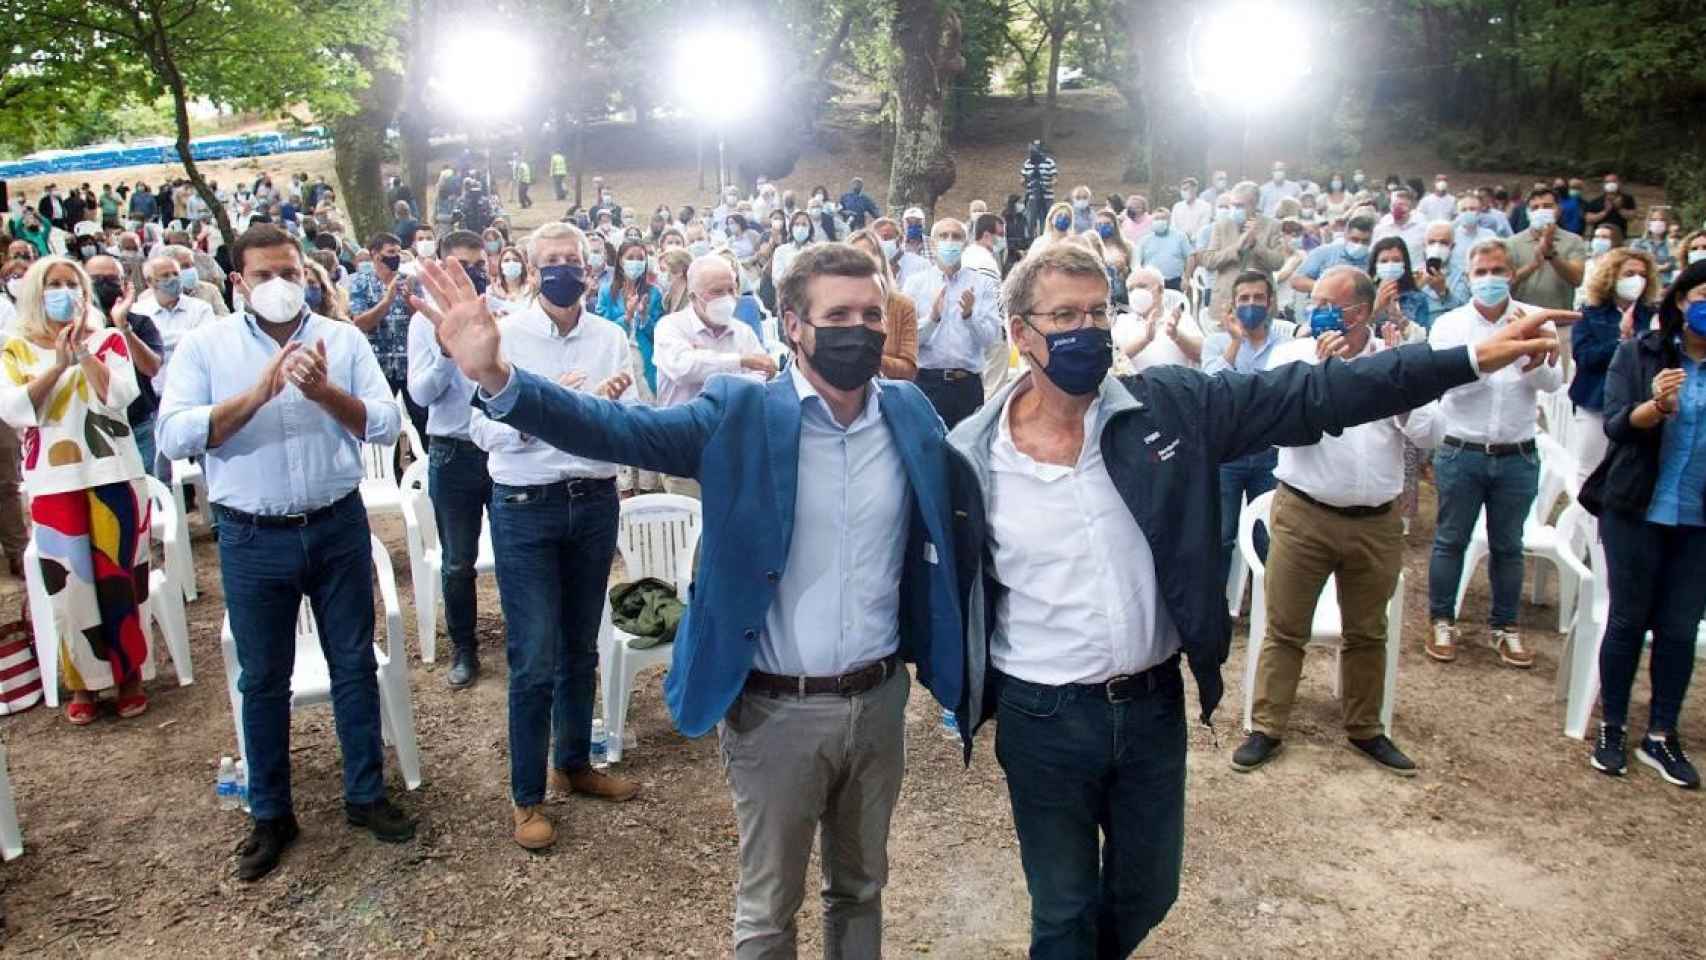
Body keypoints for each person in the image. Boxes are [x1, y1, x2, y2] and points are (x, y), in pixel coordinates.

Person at [945, 241, 1557, 958]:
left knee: (1148, 892)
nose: (1089, 330)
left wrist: (1465, 360)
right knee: (1063, 908)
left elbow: (1320, 392)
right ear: (1021, 333)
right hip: (1041, 715)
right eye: (1064, 316)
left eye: (1097, 312)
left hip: (1148, 707)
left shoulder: (1170, 406)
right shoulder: (970, 456)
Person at [416, 241, 965, 959]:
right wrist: (496, 374)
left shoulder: (911, 416)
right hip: (776, 711)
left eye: (870, 314)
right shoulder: (739, 414)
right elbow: (617, 429)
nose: (858, 330)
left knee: (861, 890)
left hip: (878, 702)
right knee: (770, 909)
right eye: (838, 314)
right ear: (794, 325)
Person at [158, 223, 415, 881]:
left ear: (307, 274)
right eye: (265, 275)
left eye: (290, 272)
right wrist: (259, 393)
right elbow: (177, 433)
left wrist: (323, 392)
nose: (280, 286)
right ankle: (271, 813)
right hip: (251, 534)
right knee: (263, 678)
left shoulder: (342, 339)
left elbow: (384, 423)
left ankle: (366, 795)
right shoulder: (205, 347)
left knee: (354, 664)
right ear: (238, 282)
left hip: (334, 524)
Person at [454, 222, 640, 847]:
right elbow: (477, 431)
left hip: (592, 503)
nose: (564, 269)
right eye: (551, 261)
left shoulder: (611, 337)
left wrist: (606, 410)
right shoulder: (502, 337)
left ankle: (574, 764)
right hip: (525, 507)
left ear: (590, 271)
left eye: (574, 261)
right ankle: (527, 797)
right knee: (533, 656)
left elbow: (634, 422)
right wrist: (541, 409)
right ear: (531, 271)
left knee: (581, 646)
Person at [1234, 265, 1438, 775]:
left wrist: (1400, 384)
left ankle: (1366, 728)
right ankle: (1267, 727)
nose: (1316, 311)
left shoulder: (1395, 360)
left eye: (1330, 303)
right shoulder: (1294, 356)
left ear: (1362, 312)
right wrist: (1322, 381)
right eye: (1314, 301)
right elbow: (1281, 427)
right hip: (1305, 513)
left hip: (1376, 521)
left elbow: (1431, 433)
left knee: (1368, 630)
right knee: (1286, 626)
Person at [0, 255, 154, 722]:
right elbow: (14, 408)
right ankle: (83, 684)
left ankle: (129, 675)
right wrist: (57, 366)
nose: (64, 292)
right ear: (34, 293)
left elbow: (123, 397)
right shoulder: (15, 348)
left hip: (114, 473)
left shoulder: (107, 339)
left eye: (72, 283)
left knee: (122, 578)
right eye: (54, 284)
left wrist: (84, 355)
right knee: (69, 588)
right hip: (53, 481)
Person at [1580, 260, 1706, 789]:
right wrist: (1655, 406)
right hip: (1636, 508)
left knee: (1679, 628)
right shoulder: (1639, 354)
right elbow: (1615, 424)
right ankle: (1612, 727)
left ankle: (1661, 733)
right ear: (1681, 301)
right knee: (1628, 620)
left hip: (1698, 517)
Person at [1421, 238, 1572, 668]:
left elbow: (1552, 383)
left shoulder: (1532, 318)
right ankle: (1441, 620)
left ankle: (1505, 627)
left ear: (1511, 273)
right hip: (1462, 449)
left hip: (1517, 453)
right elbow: (1445, 381)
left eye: (1498, 271)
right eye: (1481, 272)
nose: (1490, 279)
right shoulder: (1451, 325)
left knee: (1509, 545)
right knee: (1450, 539)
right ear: (1467, 277)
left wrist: (1534, 358)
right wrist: (1493, 356)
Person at [651, 255, 775, 495]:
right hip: (684, 449)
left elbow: (762, 377)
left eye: (731, 288)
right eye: (716, 291)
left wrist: (708, 362)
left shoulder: (743, 332)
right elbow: (683, 368)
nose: (727, 298)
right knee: (689, 526)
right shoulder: (671, 327)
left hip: (732, 449)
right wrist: (740, 361)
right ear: (693, 297)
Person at [1203, 270, 1292, 581]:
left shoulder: (1286, 345)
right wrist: (1236, 342)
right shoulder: (1215, 343)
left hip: (1269, 453)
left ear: (1269, 303)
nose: (1250, 304)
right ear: (1233, 304)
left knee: (1266, 536)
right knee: (1221, 535)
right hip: (1228, 454)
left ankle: (1268, 606)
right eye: (1244, 299)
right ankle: (1216, 607)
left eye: (1257, 298)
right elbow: (1212, 385)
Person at [1570, 248, 1659, 489]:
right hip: (1594, 401)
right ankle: (1588, 526)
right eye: (1629, 273)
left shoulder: (1653, 317)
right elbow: (1585, 357)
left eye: (1642, 275)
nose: (1637, 280)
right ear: (1612, 276)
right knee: (1589, 470)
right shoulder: (1590, 313)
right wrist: (1621, 340)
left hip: (1636, 404)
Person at [903, 218, 1003, 428]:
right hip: (927, 383)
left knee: (962, 454)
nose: (950, 241)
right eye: (943, 236)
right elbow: (907, 340)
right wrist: (932, 319)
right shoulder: (915, 284)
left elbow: (991, 338)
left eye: (956, 237)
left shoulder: (981, 284)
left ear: (965, 244)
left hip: (966, 385)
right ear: (932, 243)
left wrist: (969, 317)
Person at [348, 232, 427, 444]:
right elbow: (361, 323)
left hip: (409, 365)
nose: (396, 257)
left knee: (422, 422)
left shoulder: (409, 280)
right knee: (376, 425)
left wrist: (410, 300)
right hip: (377, 366)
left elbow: (422, 321)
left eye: (398, 253)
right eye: (390, 253)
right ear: (375, 255)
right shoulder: (360, 282)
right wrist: (387, 299)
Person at [1202, 182, 1288, 311]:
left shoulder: (1272, 226)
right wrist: (1236, 248)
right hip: (1226, 301)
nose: (1235, 210)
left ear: (1254, 205)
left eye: (1240, 206)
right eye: (1233, 205)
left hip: (1260, 302)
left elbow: (1278, 263)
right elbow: (1209, 261)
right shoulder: (1221, 225)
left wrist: (1256, 245)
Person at [848, 228, 919, 380]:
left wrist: (871, 359)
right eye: (856, 254)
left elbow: (909, 369)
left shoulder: (903, 306)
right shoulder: (833, 307)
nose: (864, 259)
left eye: (871, 253)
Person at [1289, 213, 1374, 295]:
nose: (1359, 245)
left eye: (1365, 241)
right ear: (1345, 235)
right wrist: (1327, 288)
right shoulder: (1324, 252)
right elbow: (1296, 280)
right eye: (1354, 239)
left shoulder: (1373, 260)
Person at [1136, 205, 1191, 292]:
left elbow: (1190, 257)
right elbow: (1138, 262)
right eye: (1156, 219)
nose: (1159, 221)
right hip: (1151, 283)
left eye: (1162, 218)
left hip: (1174, 281)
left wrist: (1187, 278)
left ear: (1169, 221)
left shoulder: (1180, 237)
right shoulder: (1144, 240)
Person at [1374, 188, 1426, 266]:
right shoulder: (1381, 228)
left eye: (1402, 205)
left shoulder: (1423, 229)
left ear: (1410, 207)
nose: (1398, 208)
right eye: (1394, 205)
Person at [1630, 207, 1678, 288]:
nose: (1658, 222)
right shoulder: (1638, 244)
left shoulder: (1674, 244)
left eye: (1661, 220)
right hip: (1644, 285)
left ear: (1667, 223)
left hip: (1667, 286)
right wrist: (1661, 267)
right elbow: (1635, 264)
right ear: (1648, 223)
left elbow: (1675, 264)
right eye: (1654, 220)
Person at [770, 210, 816, 292]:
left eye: (804, 224)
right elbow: (777, 278)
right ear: (791, 228)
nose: (800, 228)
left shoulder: (816, 250)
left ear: (810, 229)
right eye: (797, 224)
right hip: (788, 294)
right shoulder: (781, 251)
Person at [1021, 139, 1058, 237]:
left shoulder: (1050, 162)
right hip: (1032, 196)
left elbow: (1055, 179)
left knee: (1046, 219)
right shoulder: (1028, 163)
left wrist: (1047, 184)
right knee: (1030, 219)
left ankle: (1044, 237)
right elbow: (1022, 180)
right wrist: (1029, 182)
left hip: (1047, 196)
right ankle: (1029, 239)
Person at [1584, 172, 1637, 240]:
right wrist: (1605, 211)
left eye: (1613, 181)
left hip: (1619, 237)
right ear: (1604, 184)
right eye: (1607, 182)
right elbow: (1589, 219)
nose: (1611, 184)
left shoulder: (1627, 199)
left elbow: (1632, 217)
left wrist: (1619, 209)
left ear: (1619, 183)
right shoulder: (1596, 201)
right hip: (1600, 237)